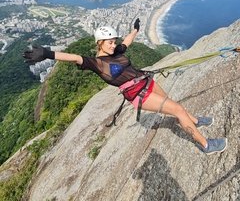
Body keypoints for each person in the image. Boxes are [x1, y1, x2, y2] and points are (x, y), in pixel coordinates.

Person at [23, 19, 227, 155]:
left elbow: (127, 42)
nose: (113, 45)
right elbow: (74, 57)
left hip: (148, 81)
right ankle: (206, 145)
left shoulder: (117, 51)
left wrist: (135, 30)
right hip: (140, 95)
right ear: (99, 43)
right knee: (177, 109)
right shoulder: (97, 63)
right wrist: (49, 54)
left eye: (113, 41)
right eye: (108, 42)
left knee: (174, 104)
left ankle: (196, 121)